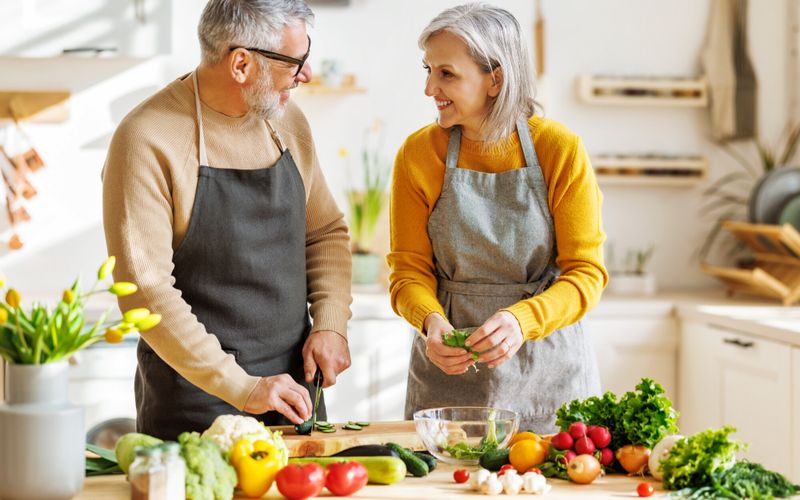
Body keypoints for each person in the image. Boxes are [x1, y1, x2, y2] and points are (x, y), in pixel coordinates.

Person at [102, 0, 352, 440]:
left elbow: (325, 232)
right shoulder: (147, 138)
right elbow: (146, 292)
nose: (306, 75)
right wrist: (243, 387)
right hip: (194, 406)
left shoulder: (287, 120)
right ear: (241, 64)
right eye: (296, 61)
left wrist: (331, 322)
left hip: (294, 394)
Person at [387, 3, 608, 434]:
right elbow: (407, 272)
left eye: (446, 73)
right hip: (446, 379)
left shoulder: (559, 150)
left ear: (496, 79)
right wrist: (430, 323)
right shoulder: (418, 154)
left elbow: (586, 275)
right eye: (428, 70)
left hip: (549, 376)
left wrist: (521, 321)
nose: (430, 88)